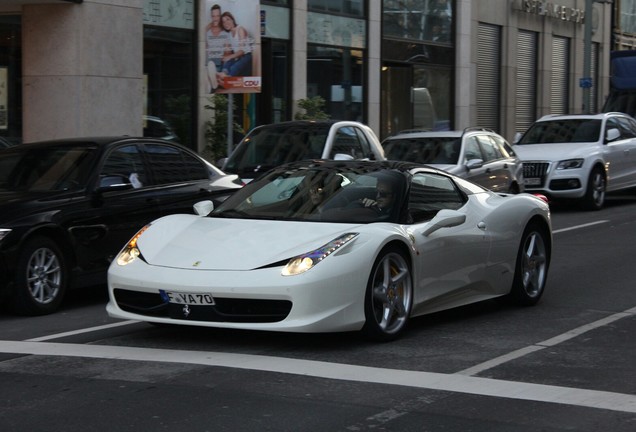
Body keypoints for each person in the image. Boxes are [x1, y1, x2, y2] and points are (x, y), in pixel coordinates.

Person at [218, 11, 253, 79]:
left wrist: (229, 56)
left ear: (232, 20)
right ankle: (223, 74)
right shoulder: (229, 35)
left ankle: (227, 78)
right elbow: (228, 52)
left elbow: (242, 51)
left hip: (246, 56)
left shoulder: (240, 29)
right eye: (223, 22)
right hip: (238, 56)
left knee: (234, 66)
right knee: (226, 61)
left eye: (228, 19)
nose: (226, 23)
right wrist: (225, 56)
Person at [205, 4, 230, 93]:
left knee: (210, 69)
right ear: (211, 17)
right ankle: (213, 82)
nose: (215, 18)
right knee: (208, 65)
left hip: (219, 63)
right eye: (213, 16)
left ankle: (213, 81)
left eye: (217, 16)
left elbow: (227, 52)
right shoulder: (207, 32)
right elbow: (205, 49)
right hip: (209, 62)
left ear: (220, 16)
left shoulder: (225, 33)